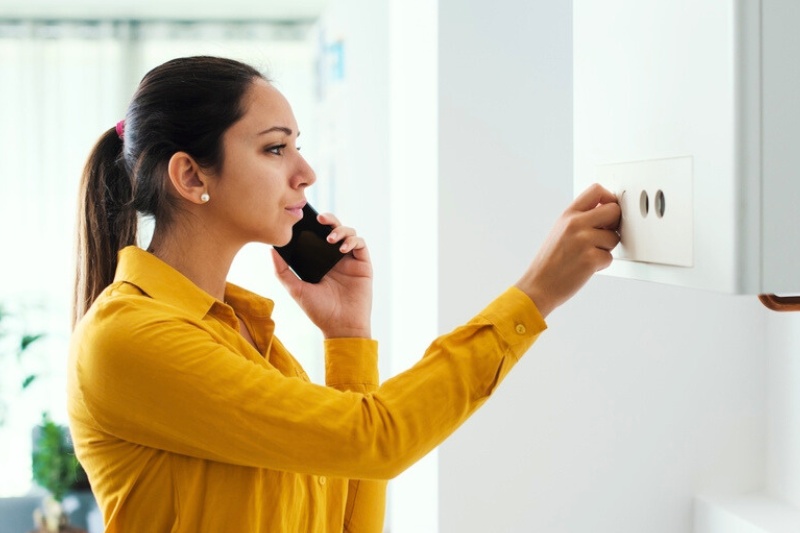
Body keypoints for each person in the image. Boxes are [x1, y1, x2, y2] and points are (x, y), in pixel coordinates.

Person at [68, 56, 621, 533]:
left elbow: (351, 508)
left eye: (297, 147)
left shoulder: (246, 339)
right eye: (276, 149)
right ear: (190, 177)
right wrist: (535, 294)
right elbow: (376, 442)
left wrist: (348, 334)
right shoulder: (130, 338)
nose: (305, 173)